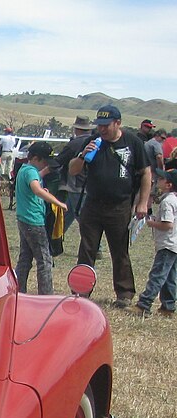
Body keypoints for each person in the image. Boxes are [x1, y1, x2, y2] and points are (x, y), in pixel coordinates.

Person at [68, 104, 151, 307]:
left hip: (119, 205)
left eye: (106, 125)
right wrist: (81, 155)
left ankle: (124, 294)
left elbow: (146, 173)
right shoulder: (93, 141)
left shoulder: (133, 142)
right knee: (87, 249)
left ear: (118, 123)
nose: (102, 129)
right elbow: (73, 170)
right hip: (93, 204)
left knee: (119, 250)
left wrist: (142, 203)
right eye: (99, 125)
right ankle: (81, 290)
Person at [15, 142, 67, 294]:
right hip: (34, 220)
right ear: (36, 158)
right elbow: (36, 190)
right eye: (44, 161)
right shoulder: (31, 171)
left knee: (25, 258)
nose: (45, 165)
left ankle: (19, 290)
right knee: (44, 260)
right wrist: (57, 202)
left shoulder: (24, 169)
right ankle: (46, 294)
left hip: (23, 218)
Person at [134, 168, 177, 318]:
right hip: (174, 245)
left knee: (158, 275)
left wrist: (152, 223)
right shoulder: (174, 199)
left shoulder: (168, 202)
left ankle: (144, 304)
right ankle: (168, 306)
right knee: (170, 277)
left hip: (167, 244)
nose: (157, 181)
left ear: (168, 185)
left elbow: (167, 224)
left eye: (161, 179)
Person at [56, 115, 95, 227]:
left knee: (84, 222)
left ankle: (95, 245)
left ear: (76, 129)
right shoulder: (95, 142)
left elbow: (59, 161)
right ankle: (54, 241)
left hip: (76, 185)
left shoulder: (74, 143)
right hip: (88, 185)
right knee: (66, 217)